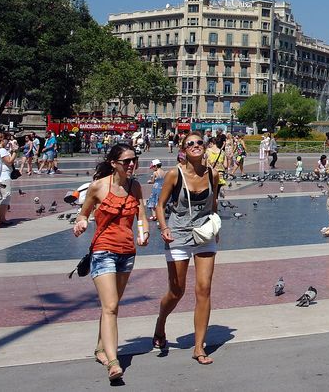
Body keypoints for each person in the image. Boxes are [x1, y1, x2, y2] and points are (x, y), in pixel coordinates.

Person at [72, 144, 148, 382]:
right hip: (103, 250)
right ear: (114, 164)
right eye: (126, 161)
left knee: (110, 306)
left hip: (127, 253)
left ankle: (100, 348)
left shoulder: (135, 186)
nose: (131, 165)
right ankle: (114, 363)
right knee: (111, 306)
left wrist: (143, 233)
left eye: (134, 160)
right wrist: (81, 223)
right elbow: (83, 213)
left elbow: (142, 218)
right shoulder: (98, 187)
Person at [153, 131, 220, 365]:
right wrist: (163, 228)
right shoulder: (174, 174)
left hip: (204, 235)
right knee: (177, 291)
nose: (196, 146)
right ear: (183, 149)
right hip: (178, 235)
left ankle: (199, 347)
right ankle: (161, 322)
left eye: (199, 142)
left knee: (204, 289)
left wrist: (216, 227)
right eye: (190, 143)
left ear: (205, 146)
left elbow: (214, 203)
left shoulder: (213, 173)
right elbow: (159, 205)